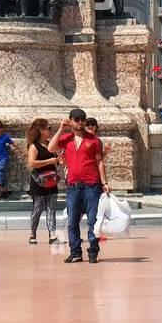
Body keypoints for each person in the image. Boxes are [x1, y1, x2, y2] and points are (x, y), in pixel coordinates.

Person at [49, 108, 109, 264]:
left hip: (92, 185)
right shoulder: (67, 138)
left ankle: (93, 252)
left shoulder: (94, 140)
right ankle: (75, 252)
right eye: (77, 119)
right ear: (71, 121)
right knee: (72, 221)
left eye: (83, 119)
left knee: (93, 221)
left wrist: (104, 182)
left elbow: (99, 161)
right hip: (73, 186)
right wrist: (61, 128)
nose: (81, 122)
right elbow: (51, 148)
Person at [24, 117, 59, 245]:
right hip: (38, 181)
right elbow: (32, 163)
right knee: (37, 208)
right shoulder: (34, 146)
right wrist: (49, 161)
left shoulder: (51, 144)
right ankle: (33, 233)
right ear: (41, 131)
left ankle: (52, 235)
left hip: (51, 181)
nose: (51, 130)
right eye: (49, 128)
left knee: (51, 208)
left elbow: (57, 162)